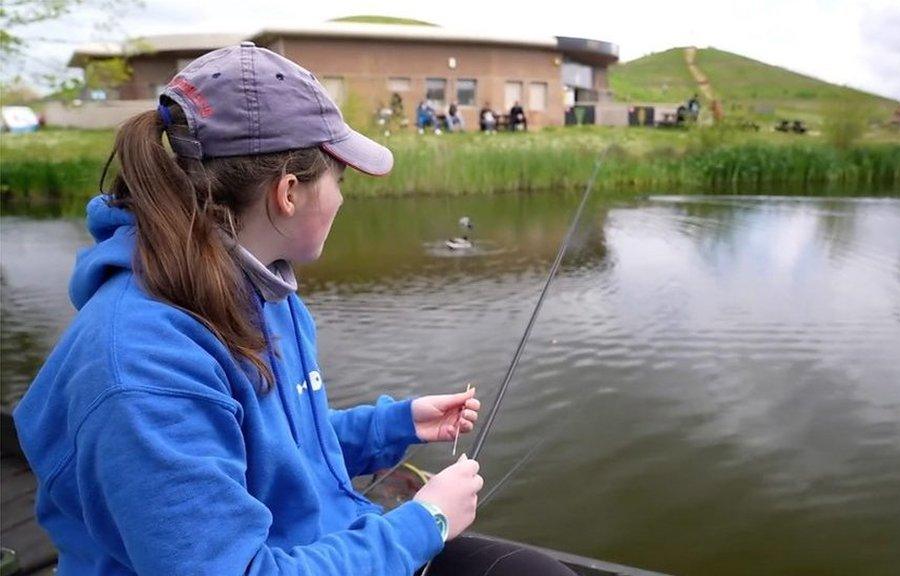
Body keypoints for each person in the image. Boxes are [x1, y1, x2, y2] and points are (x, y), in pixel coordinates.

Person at [12, 42, 576, 576]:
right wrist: (423, 523)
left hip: (321, 541)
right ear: (288, 192)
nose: (344, 197)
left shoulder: (261, 288)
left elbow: (269, 444)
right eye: (341, 177)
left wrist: (393, 424)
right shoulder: (142, 366)